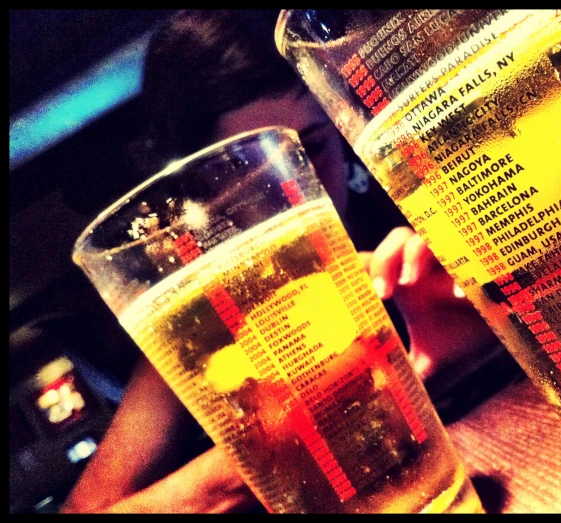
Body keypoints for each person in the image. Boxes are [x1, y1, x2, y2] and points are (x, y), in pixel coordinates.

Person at [61, 9, 504, 514]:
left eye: (310, 146)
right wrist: (276, 451)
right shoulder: (199, 318)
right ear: (201, 187)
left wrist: (473, 336)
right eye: (252, 170)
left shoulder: (395, 209)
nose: (296, 187)